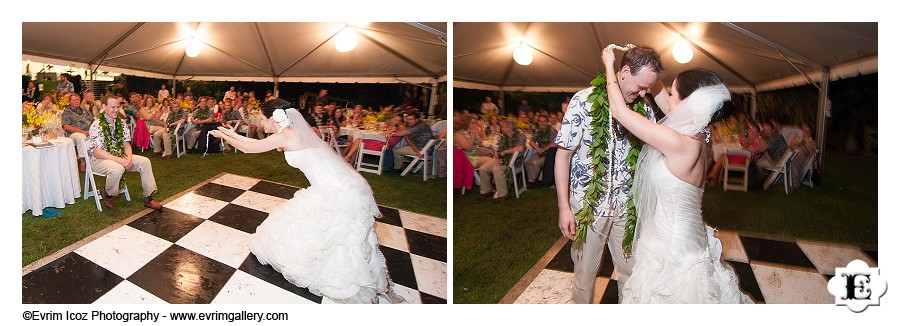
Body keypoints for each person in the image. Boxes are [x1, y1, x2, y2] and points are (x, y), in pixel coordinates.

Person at [210, 98, 405, 304]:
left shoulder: (286, 135)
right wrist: (227, 133)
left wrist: (224, 136)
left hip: (334, 190)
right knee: (341, 236)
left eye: (262, 118)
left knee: (338, 237)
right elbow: (256, 143)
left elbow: (251, 148)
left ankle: (347, 280)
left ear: (272, 118)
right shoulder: (291, 132)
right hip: (339, 185)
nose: (260, 122)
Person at [600, 46, 752, 303]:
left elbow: (619, 112)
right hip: (691, 236)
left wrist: (609, 66)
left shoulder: (677, 141)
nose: (667, 98)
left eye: (673, 93)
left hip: (671, 247)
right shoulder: (702, 134)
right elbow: (660, 93)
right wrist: (645, 64)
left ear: (688, 103)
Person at [555, 45, 669, 304]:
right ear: (625, 71)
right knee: (584, 277)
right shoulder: (583, 101)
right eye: (640, 87)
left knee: (630, 273)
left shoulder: (644, 108)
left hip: (627, 209)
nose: (643, 93)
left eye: (647, 89)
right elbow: (563, 155)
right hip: (588, 206)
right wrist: (564, 207)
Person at [88, 95, 162, 210]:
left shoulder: (121, 123)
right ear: (104, 106)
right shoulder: (97, 125)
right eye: (113, 107)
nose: (116, 110)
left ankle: (148, 198)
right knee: (118, 168)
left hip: (119, 156)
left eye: (118, 107)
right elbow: (98, 152)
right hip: (99, 159)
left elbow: (126, 144)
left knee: (145, 161)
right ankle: (107, 193)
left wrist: (129, 158)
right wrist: (122, 161)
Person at [61, 93, 94, 171]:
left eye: (78, 99)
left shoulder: (86, 111)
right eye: (74, 100)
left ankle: (95, 160)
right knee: (81, 137)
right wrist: (82, 132)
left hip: (88, 132)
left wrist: (92, 130)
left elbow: (93, 122)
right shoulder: (66, 112)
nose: (76, 101)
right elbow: (66, 126)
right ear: (70, 102)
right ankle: (83, 161)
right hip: (73, 134)